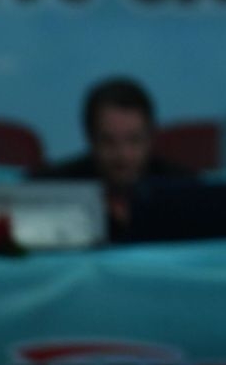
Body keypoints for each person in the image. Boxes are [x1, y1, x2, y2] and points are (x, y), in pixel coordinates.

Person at [33, 77, 192, 245]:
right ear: (90, 139)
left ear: (151, 137)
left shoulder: (183, 189)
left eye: (134, 140)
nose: (123, 155)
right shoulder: (54, 187)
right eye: (109, 141)